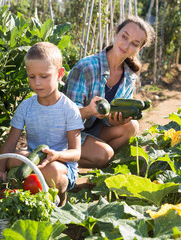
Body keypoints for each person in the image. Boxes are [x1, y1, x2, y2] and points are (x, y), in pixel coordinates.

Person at [0, 42, 84, 206]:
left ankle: (59, 194)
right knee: (13, 158)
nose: (37, 83)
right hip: (32, 159)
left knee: (53, 171)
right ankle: (29, 188)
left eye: (44, 76)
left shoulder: (69, 109)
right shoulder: (26, 107)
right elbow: (9, 144)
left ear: (60, 74)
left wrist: (56, 155)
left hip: (60, 165)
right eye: (32, 77)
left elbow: (76, 154)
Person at [63, 15, 155, 169]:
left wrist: (115, 120)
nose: (126, 45)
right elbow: (66, 117)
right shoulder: (87, 68)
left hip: (91, 130)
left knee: (132, 126)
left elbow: (108, 120)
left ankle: (101, 164)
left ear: (139, 49)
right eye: (124, 36)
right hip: (67, 133)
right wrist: (89, 110)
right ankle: (60, 159)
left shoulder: (128, 77)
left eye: (134, 44)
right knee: (104, 154)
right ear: (116, 33)